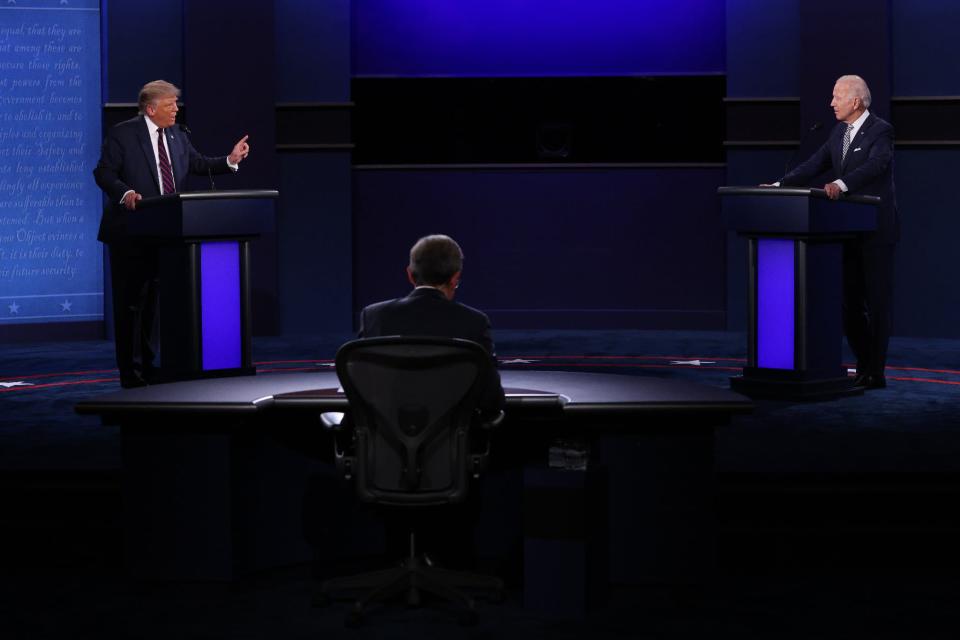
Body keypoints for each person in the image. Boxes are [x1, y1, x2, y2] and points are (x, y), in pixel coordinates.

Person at [93, 80, 251, 388]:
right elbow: (103, 173)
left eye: (175, 104)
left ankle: (151, 368)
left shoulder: (178, 136)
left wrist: (230, 161)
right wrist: (125, 193)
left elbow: (198, 163)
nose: (176, 109)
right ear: (151, 109)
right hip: (130, 232)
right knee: (131, 306)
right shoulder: (123, 134)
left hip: (166, 234)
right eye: (170, 105)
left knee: (153, 306)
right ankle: (132, 374)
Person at [766, 75, 898, 390]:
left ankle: (875, 372)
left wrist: (841, 184)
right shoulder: (839, 132)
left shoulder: (881, 130)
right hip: (849, 230)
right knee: (850, 304)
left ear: (855, 101)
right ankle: (864, 364)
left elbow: (876, 165)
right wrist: (780, 184)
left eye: (837, 96)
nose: (831, 102)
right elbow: (814, 165)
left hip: (877, 231)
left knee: (876, 304)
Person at [359, 233, 506, 415]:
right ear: (454, 278)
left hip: (384, 439)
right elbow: (492, 400)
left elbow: (360, 389)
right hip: (454, 440)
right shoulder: (474, 321)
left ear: (410, 275)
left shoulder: (373, 316)